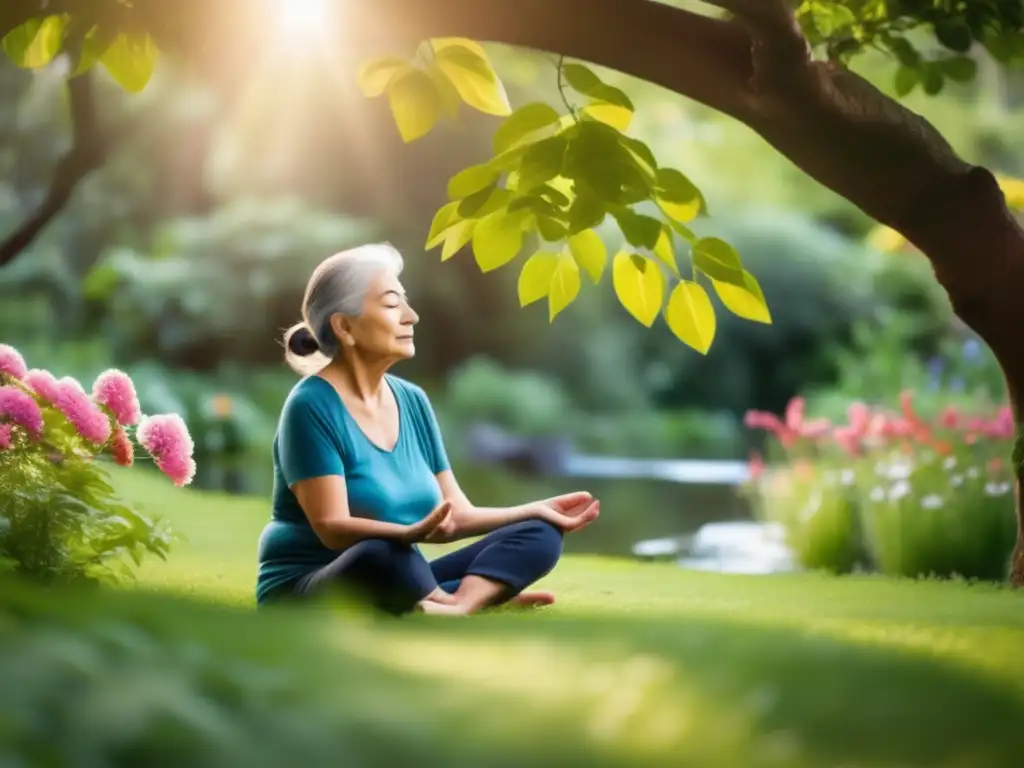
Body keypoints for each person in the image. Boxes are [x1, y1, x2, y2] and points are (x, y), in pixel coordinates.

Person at [256, 243, 600, 615]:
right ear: (345, 326)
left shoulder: (413, 401)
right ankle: (459, 600)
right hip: (312, 585)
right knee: (383, 551)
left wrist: (533, 510)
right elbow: (331, 527)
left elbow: (453, 516)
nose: (412, 316)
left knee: (539, 534)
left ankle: (456, 604)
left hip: (400, 568)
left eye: (406, 302)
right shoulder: (310, 405)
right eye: (392, 304)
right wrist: (405, 535)